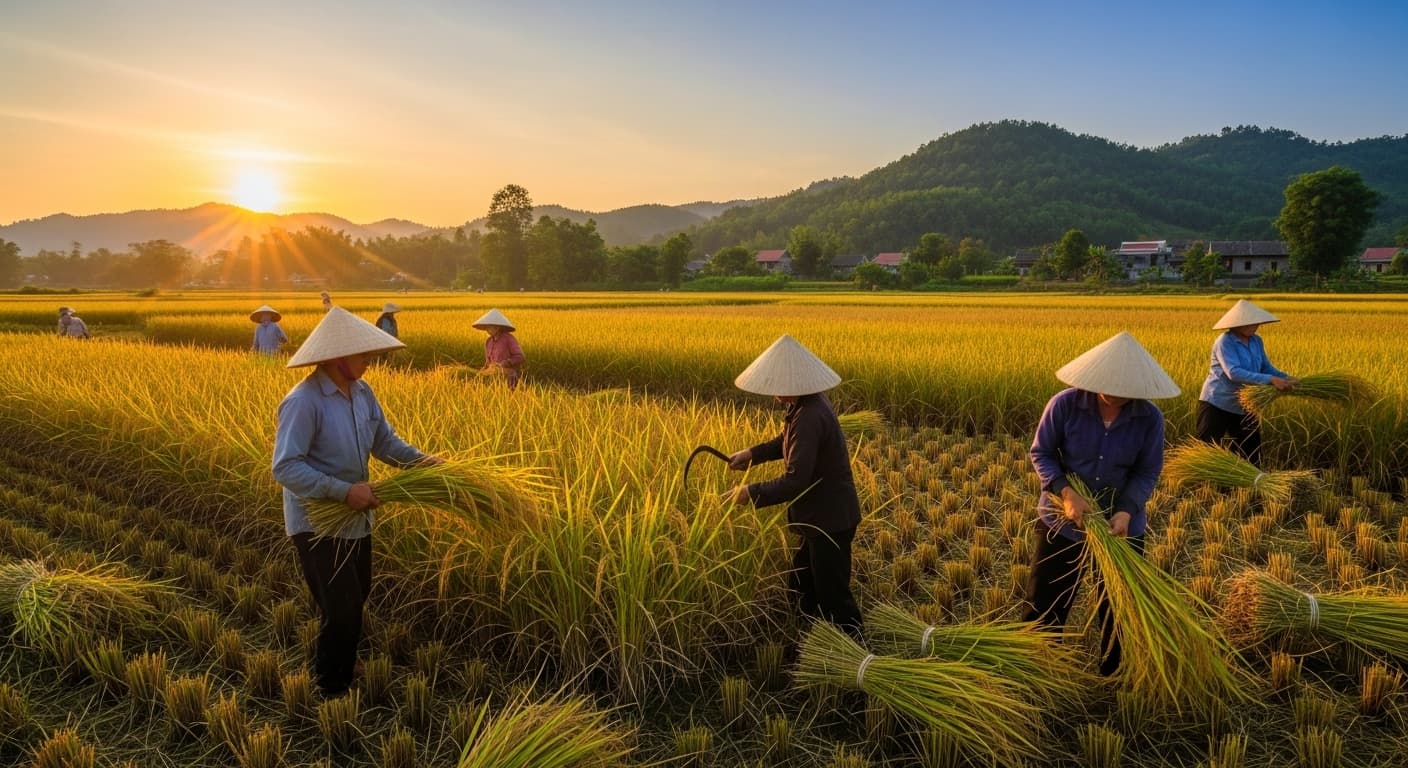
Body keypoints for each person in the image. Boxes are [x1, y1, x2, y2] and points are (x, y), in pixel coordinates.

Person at [272, 307, 443, 698]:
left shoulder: (363, 392)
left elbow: (385, 443)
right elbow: (285, 467)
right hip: (317, 522)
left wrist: (428, 465)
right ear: (336, 357)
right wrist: (344, 491)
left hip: (355, 519)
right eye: (362, 353)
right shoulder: (304, 401)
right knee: (344, 610)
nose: (370, 359)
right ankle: (330, 691)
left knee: (356, 597)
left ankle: (337, 661)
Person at [1024, 331, 1177, 676]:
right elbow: (1042, 453)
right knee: (1045, 603)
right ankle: (1039, 669)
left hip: (1119, 530)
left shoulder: (1149, 418)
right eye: (1110, 383)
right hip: (1061, 524)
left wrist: (1125, 511)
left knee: (1119, 607)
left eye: (1126, 387)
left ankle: (1112, 674)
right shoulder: (1064, 405)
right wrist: (1066, 493)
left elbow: (1147, 471)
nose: (1116, 392)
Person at [725, 335, 864, 640]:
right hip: (820, 518)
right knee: (802, 582)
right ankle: (813, 636)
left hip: (830, 520)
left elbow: (795, 480)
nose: (772, 388)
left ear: (792, 382)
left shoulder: (810, 416)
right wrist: (752, 454)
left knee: (833, 595)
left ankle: (855, 652)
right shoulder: (805, 405)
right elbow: (785, 442)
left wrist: (751, 492)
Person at [1196, 299, 1298, 465]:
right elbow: (1233, 373)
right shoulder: (1225, 342)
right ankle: (1204, 486)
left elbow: (1265, 367)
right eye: (1250, 322)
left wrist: (1287, 378)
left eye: (1256, 322)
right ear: (1237, 324)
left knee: (1251, 451)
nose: (1255, 325)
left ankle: (1244, 485)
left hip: (1244, 403)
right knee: (1207, 448)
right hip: (1217, 402)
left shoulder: (1256, 341)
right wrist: (1271, 380)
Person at [472, 308, 525, 389]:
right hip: (491, 376)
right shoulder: (488, 341)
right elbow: (488, 362)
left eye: (489, 327)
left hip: (508, 377)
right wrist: (480, 373)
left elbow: (520, 357)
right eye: (486, 327)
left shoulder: (509, 339)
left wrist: (506, 363)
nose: (487, 330)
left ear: (497, 327)